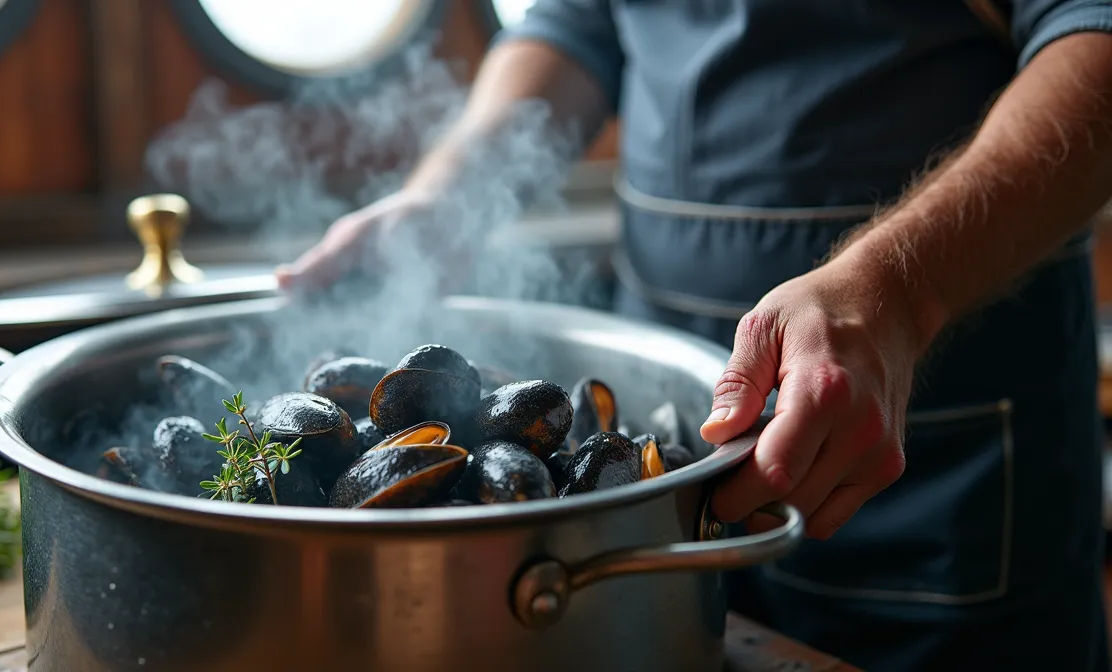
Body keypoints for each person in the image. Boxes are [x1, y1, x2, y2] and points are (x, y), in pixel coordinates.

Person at [275, 1, 1112, 669]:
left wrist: (898, 291)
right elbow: (579, 23)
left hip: (950, 451)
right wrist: (446, 197)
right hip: (661, 472)